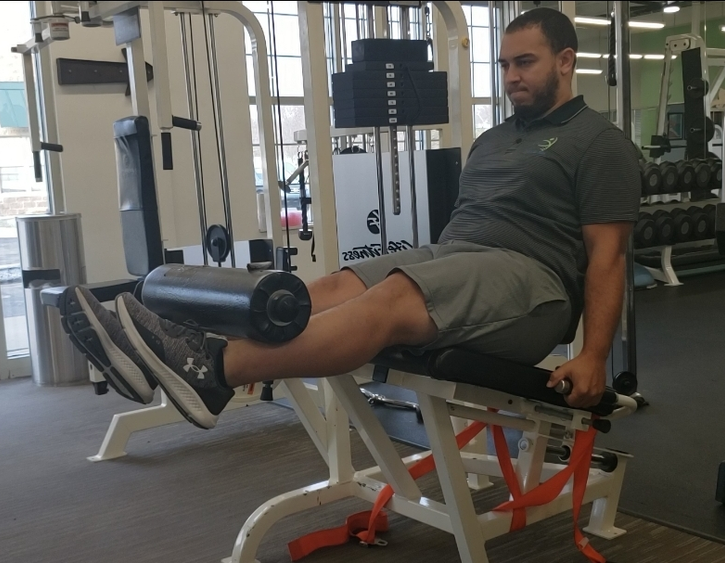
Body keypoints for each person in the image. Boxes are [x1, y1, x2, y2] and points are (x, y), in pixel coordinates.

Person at [60, 7, 641, 430]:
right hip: (461, 254)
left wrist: (593, 357)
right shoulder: (493, 139)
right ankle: (186, 341)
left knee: (388, 301)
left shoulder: (599, 144)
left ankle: (214, 370)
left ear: (565, 62)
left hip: (533, 284)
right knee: (339, 284)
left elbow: (608, 257)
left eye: (526, 63)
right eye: (506, 64)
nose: (512, 76)